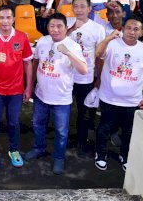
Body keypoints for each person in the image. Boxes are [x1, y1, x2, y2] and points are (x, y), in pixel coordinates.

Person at [25, 13, 87, 175]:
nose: (55, 29)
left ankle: (58, 158)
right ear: (47, 27)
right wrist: (30, 86)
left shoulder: (73, 46)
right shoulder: (43, 41)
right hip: (41, 95)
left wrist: (68, 53)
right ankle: (39, 148)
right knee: (38, 124)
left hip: (61, 98)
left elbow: (83, 69)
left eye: (59, 26)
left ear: (66, 28)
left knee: (61, 131)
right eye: (52, 26)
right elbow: (36, 61)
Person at [94, 18, 143, 172]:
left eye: (136, 29)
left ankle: (125, 156)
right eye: (128, 28)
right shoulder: (113, 44)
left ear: (141, 32)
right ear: (123, 29)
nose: (132, 32)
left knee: (128, 131)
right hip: (109, 97)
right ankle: (101, 154)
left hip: (132, 101)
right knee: (104, 128)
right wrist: (107, 38)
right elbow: (98, 53)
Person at [0, 5, 33, 169]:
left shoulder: (22, 37)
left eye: (8, 18)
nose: (5, 21)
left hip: (16, 90)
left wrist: (28, 87)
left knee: (14, 122)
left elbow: (28, 64)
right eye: (2, 18)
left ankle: (14, 150)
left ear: (14, 19)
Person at [65, 0, 106, 155]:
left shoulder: (98, 29)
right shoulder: (67, 23)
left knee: (85, 112)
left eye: (83, 6)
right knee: (64, 110)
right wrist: (72, 29)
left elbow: (100, 56)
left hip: (86, 77)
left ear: (89, 9)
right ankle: (65, 138)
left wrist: (99, 78)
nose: (79, 10)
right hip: (66, 76)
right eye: (76, 6)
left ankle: (81, 141)